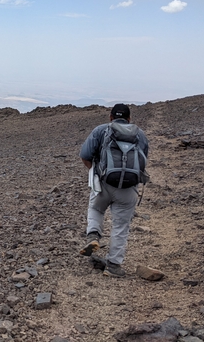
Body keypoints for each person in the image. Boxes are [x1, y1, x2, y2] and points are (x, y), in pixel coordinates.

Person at [79, 103, 149, 277]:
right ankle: (113, 266)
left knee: (95, 208)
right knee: (120, 226)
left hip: (104, 183)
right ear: (129, 119)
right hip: (128, 188)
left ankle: (93, 235)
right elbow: (143, 160)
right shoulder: (139, 134)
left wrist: (95, 173)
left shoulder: (101, 130)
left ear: (110, 117)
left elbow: (85, 155)